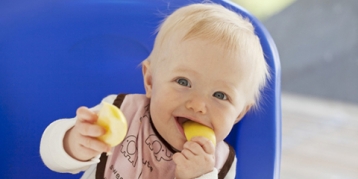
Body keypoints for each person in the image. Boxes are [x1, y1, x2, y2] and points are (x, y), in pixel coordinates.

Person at [40, 2, 269, 179]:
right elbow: (51, 156)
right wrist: (74, 142)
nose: (198, 104)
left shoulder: (219, 162)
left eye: (220, 95)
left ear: (239, 113)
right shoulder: (122, 114)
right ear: (150, 80)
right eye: (183, 81)